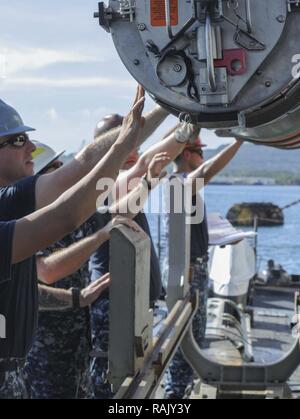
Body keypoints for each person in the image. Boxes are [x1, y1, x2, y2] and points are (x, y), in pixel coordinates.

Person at [0, 86, 146, 398]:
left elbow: (82, 166)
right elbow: (65, 216)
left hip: (26, 367)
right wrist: (123, 142)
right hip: (40, 357)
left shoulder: (9, 204)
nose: (30, 150)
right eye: (16, 140)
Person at [88, 118, 199, 398]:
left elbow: (150, 157)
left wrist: (183, 125)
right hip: (113, 304)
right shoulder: (102, 184)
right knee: (111, 386)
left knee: (132, 379)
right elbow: (118, 211)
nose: (136, 150)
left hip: (133, 304)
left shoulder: (117, 179)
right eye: (129, 143)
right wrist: (187, 126)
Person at [24, 143, 136, 399]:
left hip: (77, 344)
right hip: (46, 352)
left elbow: (115, 213)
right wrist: (100, 237)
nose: (62, 173)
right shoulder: (29, 221)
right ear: (38, 180)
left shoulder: (68, 213)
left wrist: (149, 179)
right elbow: (46, 271)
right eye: (54, 168)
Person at [164, 137, 243, 399]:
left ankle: (181, 392)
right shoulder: (179, 184)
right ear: (187, 154)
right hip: (189, 274)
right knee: (185, 344)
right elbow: (208, 172)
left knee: (194, 340)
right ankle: (175, 396)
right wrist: (238, 142)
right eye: (199, 152)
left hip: (194, 269)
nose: (202, 157)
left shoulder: (184, 187)